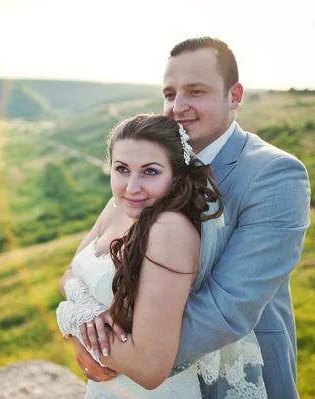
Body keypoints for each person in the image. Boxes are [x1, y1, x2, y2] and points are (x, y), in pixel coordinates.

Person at [63, 37, 310, 399]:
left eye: (196, 91)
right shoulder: (153, 164)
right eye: (169, 93)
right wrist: (86, 326)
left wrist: (121, 355)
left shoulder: (275, 174)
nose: (178, 107)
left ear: (235, 95)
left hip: (232, 375)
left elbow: (227, 308)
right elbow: (87, 264)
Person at [57, 114, 268, 397]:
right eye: (122, 169)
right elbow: (70, 272)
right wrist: (85, 311)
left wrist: (73, 319)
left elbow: (149, 368)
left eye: (150, 171)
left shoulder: (169, 230)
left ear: (176, 175)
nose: (131, 187)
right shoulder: (117, 206)